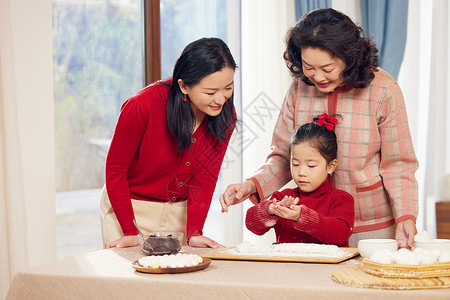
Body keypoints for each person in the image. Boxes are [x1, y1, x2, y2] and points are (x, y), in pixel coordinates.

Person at [220, 8, 419, 249]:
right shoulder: (299, 89)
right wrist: (251, 185)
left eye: (327, 68)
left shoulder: (384, 90)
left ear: (350, 57)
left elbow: (398, 164)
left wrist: (406, 215)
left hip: (372, 228)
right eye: (308, 67)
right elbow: (283, 156)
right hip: (306, 227)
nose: (318, 77)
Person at [101, 37, 237, 249]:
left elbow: (205, 176)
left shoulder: (224, 115)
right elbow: (115, 171)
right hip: (129, 210)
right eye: (210, 92)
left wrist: (194, 232)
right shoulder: (141, 107)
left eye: (228, 88)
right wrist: (129, 230)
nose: (221, 99)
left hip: (177, 213)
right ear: (183, 85)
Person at [245, 114, 354, 247]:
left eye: (311, 166)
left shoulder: (341, 199)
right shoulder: (283, 198)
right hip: (287, 267)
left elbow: (340, 235)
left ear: (331, 166)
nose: (301, 172)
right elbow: (252, 225)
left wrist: (302, 217)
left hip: (327, 268)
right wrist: (270, 210)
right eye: (295, 164)